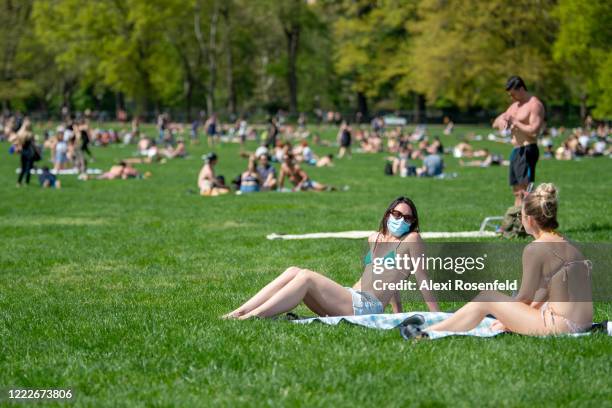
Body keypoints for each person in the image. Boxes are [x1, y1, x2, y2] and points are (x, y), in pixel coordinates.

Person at [406, 183, 592, 338]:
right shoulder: (567, 242)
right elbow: (544, 292)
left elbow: (524, 298)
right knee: (501, 302)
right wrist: (513, 317)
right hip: (582, 322)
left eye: (520, 215)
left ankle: (428, 333)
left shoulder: (535, 249)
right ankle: (440, 327)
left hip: (560, 326)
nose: (520, 219)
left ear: (530, 219)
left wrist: (506, 319)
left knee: (487, 297)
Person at [224, 197, 439, 319]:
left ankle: (254, 316)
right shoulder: (375, 238)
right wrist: (396, 313)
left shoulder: (412, 239)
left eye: (408, 218)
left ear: (413, 222)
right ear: (388, 214)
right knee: (293, 270)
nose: (402, 220)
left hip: (365, 306)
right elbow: (387, 278)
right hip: (350, 297)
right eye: (397, 214)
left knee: (306, 277)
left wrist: (436, 315)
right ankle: (241, 311)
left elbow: (422, 277)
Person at [493, 76, 545, 206]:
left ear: (521, 89)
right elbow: (495, 123)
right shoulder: (514, 106)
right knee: (516, 191)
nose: (512, 98)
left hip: (528, 149)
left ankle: (530, 223)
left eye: (513, 94)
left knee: (526, 191)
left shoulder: (534, 105)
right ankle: (518, 222)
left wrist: (516, 122)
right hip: (516, 150)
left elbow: (534, 131)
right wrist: (503, 121)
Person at [16, 120, 36, 187]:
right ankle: (26, 183)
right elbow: (33, 143)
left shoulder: (21, 133)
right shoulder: (30, 134)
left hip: (23, 152)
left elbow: (18, 143)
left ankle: (19, 182)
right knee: (28, 169)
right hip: (30, 152)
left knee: (23, 168)